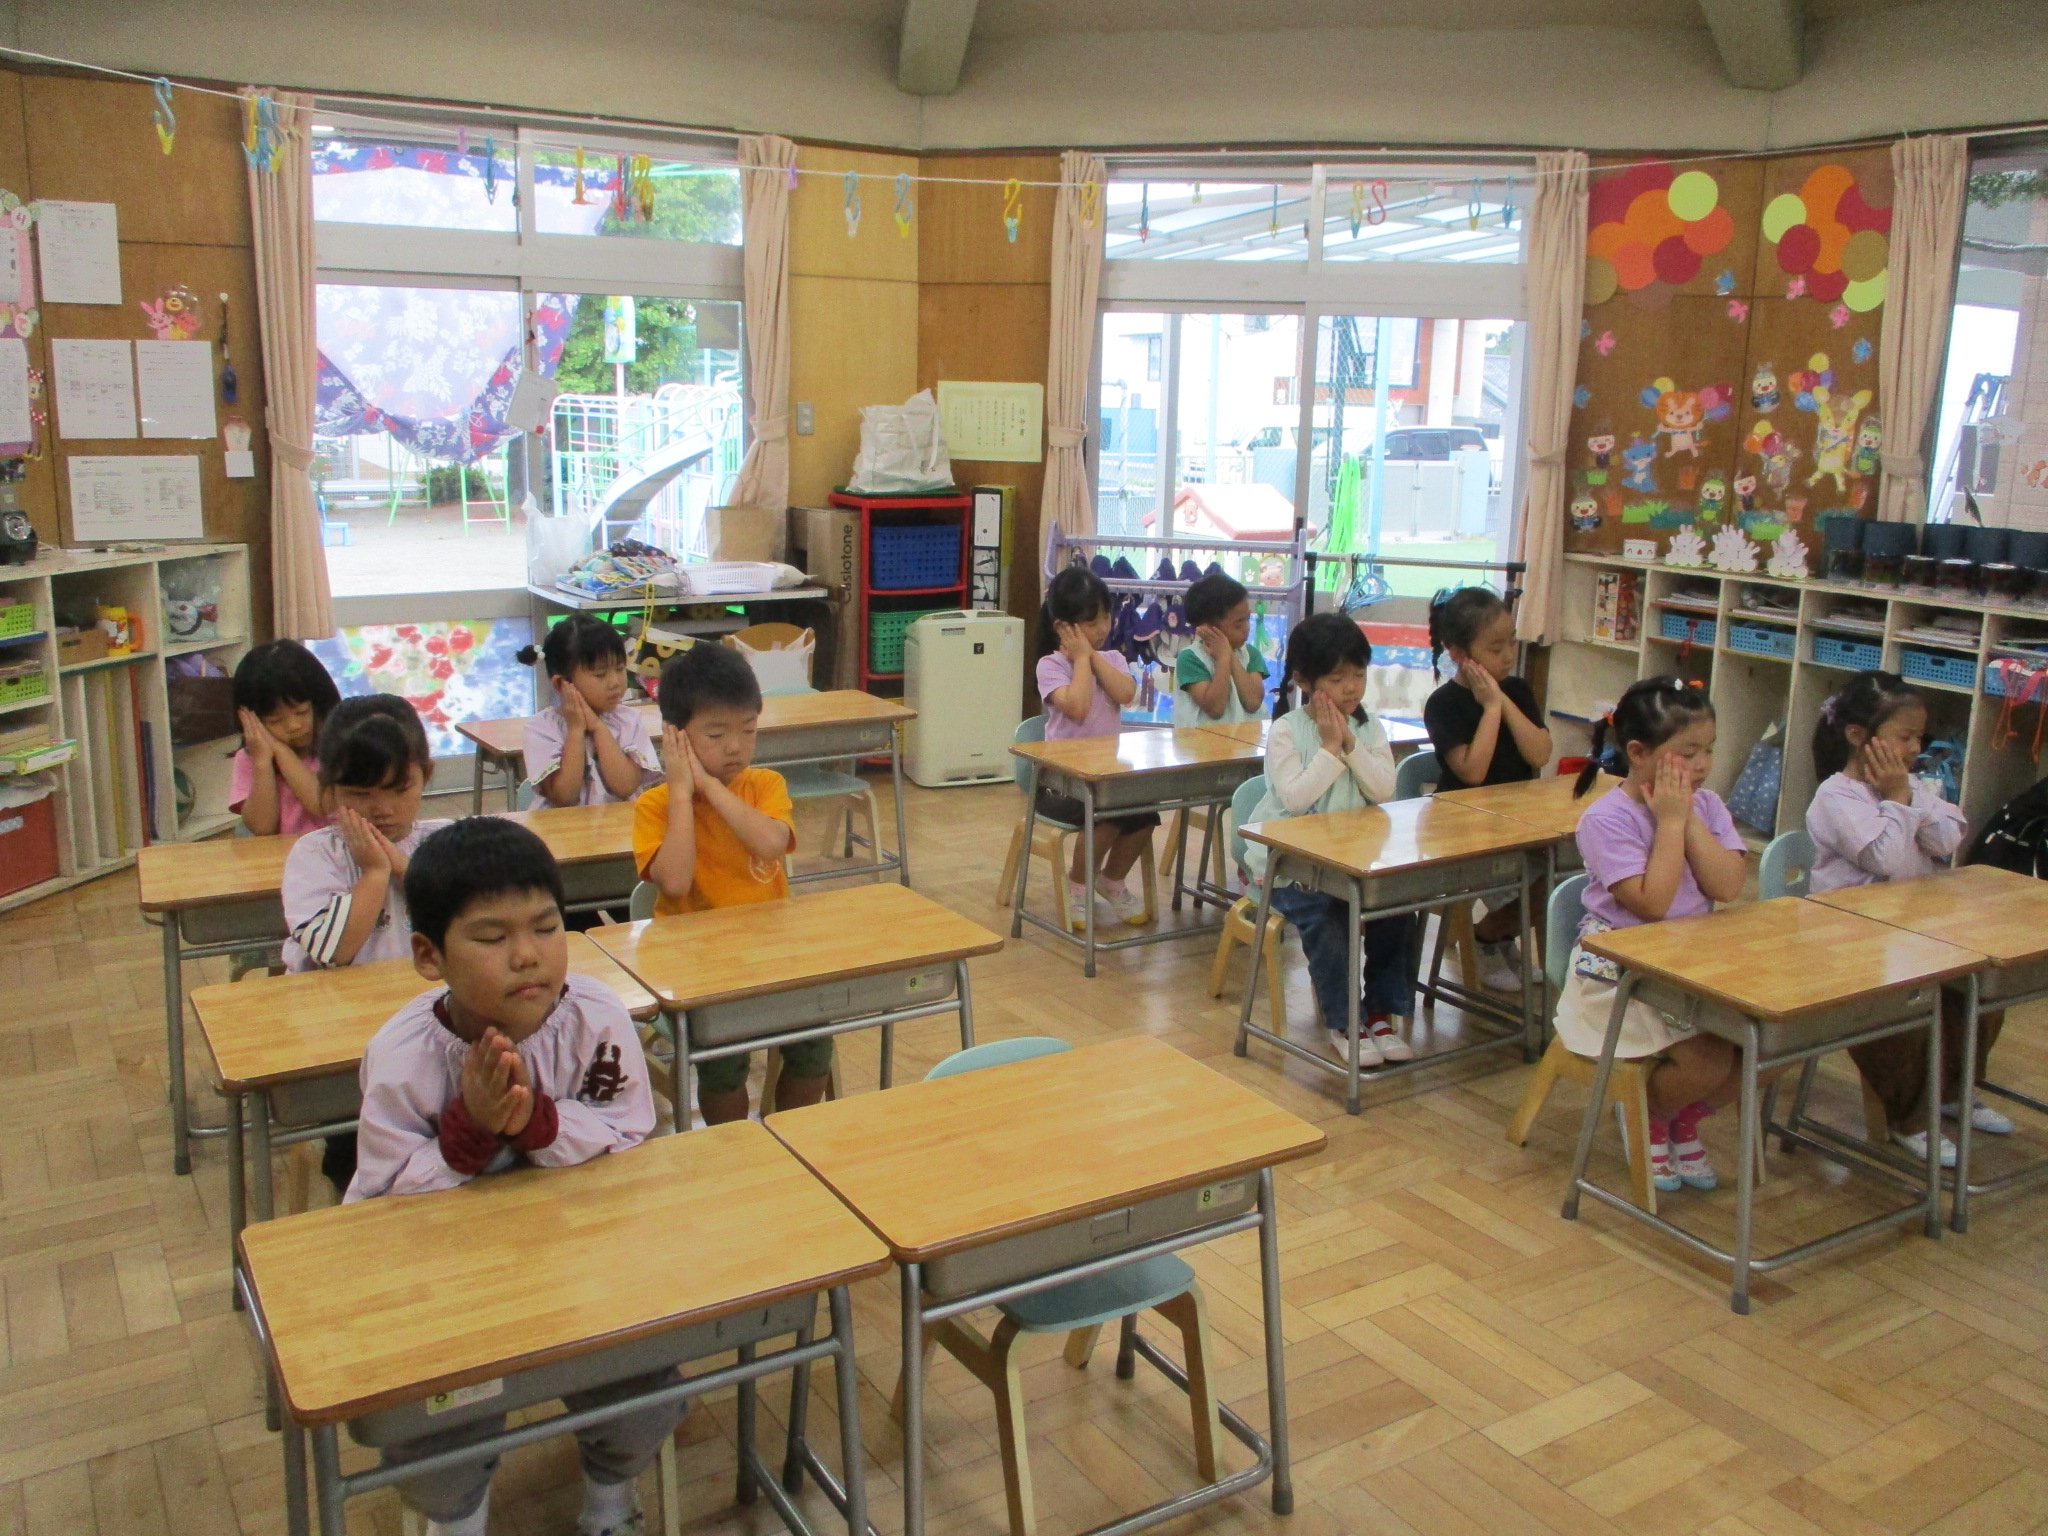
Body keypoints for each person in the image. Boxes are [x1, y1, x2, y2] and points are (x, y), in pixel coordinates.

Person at [347, 816, 669, 1536]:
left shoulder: (596, 1017)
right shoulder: (401, 1055)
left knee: (645, 1381)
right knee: (432, 1429)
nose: (527, 956)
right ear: (428, 955)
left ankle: (610, 1502)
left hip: (585, 1261)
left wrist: (536, 1125)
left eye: (547, 927)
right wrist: (468, 1133)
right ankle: (457, 1518)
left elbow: (630, 1129)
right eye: (492, 938)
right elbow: (378, 1204)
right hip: (451, 1292)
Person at [1554, 677, 1755, 1193]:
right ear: (1639, 752)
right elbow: (1654, 904)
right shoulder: (1606, 820)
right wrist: (1670, 823)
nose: (1703, 764)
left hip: (1690, 963)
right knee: (1709, 1059)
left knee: (1770, 1046)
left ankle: (1682, 1117)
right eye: (1687, 753)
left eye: (1709, 749)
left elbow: (1728, 886)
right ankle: (1649, 1113)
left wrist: (1688, 819)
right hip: (1620, 973)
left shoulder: (1705, 806)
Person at [1806, 670, 2000, 1166]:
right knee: (1899, 1016)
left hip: (1909, 930)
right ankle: (1908, 1119)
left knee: (1980, 992)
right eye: (1905, 736)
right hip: (1847, 943)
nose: (1915, 748)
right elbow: (1886, 858)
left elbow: (1948, 838)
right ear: (1858, 735)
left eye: (1920, 737)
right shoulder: (1836, 797)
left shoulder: (1908, 785)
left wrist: (1907, 798)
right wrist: (1898, 800)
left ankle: (1951, 1093)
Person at [633, 643, 819, 1125]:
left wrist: (711, 787)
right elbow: (675, 883)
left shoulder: (765, 786)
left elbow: (771, 845)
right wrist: (682, 791)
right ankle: (736, 1146)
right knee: (723, 1062)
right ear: (675, 736)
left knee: (816, 1042)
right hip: (699, 965)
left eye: (748, 730)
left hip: (771, 953)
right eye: (716, 734)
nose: (735, 746)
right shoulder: (656, 806)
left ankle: (789, 1137)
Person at [279, 693, 450, 1191]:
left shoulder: (440, 843)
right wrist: (375, 872)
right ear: (329, 791)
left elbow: (467, 915)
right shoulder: (316, 856)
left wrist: (401, 865)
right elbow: (336, 950)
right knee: (355, 1159)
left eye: (400, 788)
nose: (382, 809)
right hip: (343, 1044)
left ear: (426, 776)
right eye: (360, 793)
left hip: (429, 1030)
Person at [1241, 612, 1417, 1065]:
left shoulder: (1368, 727)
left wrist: (1351, 745)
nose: (1351, 689)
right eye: (1337, 679)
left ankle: (1380, 1014)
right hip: (1290, 869)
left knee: (1397, 909)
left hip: (1352, 860)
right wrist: (1328, 746)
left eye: (1358, 675)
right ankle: (1344, 1020)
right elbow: (1296, 799)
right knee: (1327, 919)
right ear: (1304, 680)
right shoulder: (1287, 730)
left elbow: (1383, 790)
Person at [1423, 587, 1552, 990]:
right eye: (1495, 648)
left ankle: (1492, 935)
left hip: (1517, 821)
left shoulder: (1517, 690)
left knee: (1562, 877)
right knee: (1534, 885)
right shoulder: (1443, 704)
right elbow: (1473, 773)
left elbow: (1540, 753)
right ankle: (1486, 940)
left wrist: (1503, 700)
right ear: (1459, 653)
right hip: (1464, 828)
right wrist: (1491, 708)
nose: (1509, 655)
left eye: (1511, 641)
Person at [1035, 564, 1158, 929]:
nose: (1104, 628)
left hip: (1106, 776)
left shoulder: (1114, 659)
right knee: (1106, 814)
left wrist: (1092, 656)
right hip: (1061, 783)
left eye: (1106, 617)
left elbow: (1126, 693)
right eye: (1092, 622)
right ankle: (1078, 886)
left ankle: (1112, 880)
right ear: (1064, 628)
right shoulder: (1051, 666)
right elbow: (1078, 706)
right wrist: (1081, 659)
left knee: (1145, 814)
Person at [519, 613, 661, 808]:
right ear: (561, 684)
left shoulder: (629, 720)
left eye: (620, 669)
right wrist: (576, 729)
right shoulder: (541, 729)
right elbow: (565, 797)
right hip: (563, 826)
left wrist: (597, 726)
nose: (615, 682)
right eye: (600, 674)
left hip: (619, 825)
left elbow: (625, 787)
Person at [230, 639, 341, 836]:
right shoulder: (250, 758)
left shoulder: (341, 748)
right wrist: (262, 763)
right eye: (275, 721)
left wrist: (280, 750)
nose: (293, 726)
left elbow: (321, 804)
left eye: (301, 712)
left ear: (319, 704)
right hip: (281, 854)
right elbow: (262, 828)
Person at [1172, 571, 1268, 727]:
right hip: (1201, 742)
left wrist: (1229, 654)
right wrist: (1223, 659)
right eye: (1238, 624)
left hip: (1246, 741)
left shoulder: (1251, 654)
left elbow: (1253, 702)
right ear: (1208, 628)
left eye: (1248, 619)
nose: (1247, 628)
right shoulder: (1190, 658)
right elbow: (1215, 709)